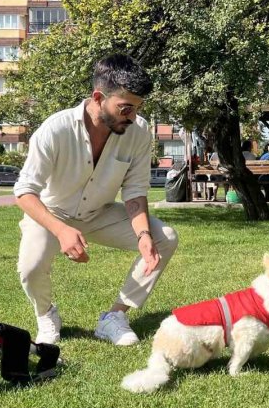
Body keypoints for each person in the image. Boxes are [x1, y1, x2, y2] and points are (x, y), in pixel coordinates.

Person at [14, 55, 179, 346]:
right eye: (125, 108)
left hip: (99, 213)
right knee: (30, 267)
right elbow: (24, 192)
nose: (132, 117)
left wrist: (142, 234)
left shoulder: (138, 131)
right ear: (98, 97)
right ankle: (46, 315)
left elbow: (135, 190)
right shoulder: (55, 130)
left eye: (137, 108)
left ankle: (114, 317)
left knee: (164, 237)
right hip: (52, 214)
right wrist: (62, 230)